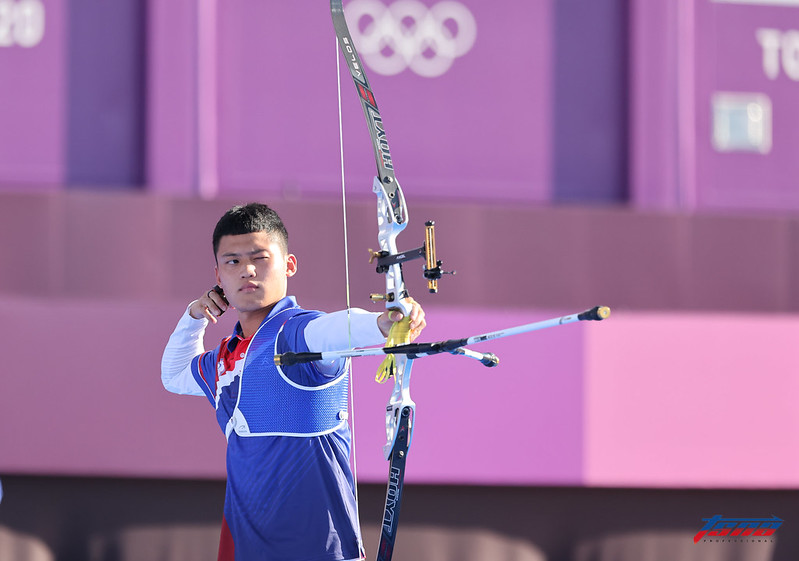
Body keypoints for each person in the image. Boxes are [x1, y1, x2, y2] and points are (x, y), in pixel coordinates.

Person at [161, 203, 425, 561]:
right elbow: (174, 375)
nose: (247, 271)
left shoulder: (296, 332)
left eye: (260, 258)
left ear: (289, 265)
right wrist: (195, 316)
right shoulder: (226, 359)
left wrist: (382, 322)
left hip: (319, 550)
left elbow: (334, 328)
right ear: (219, 277)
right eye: (233, 261)